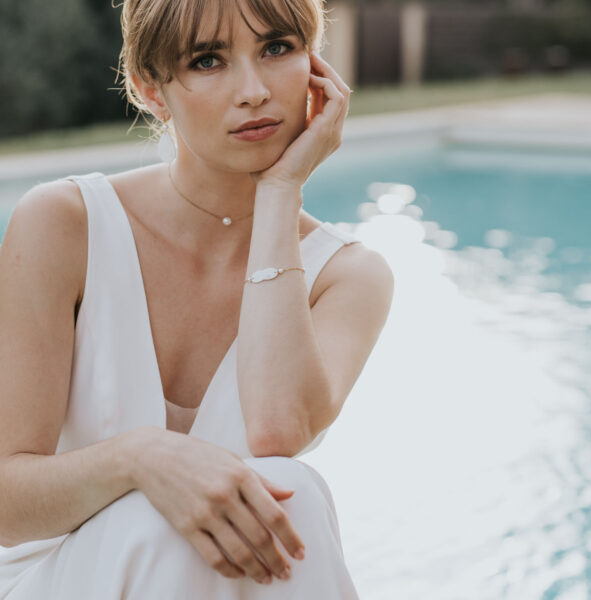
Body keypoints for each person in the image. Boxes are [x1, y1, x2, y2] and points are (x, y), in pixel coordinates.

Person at [0, 0, 394, 597]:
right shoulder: (64, 224)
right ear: (151, 88)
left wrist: (281, 192)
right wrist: (139, 458)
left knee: (295, 491)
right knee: (174, 523)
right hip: (62, 575)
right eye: (207, 60)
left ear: (315, 65)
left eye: (277, 48)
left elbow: (275, 430)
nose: (255, 91)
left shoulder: (350, 275)